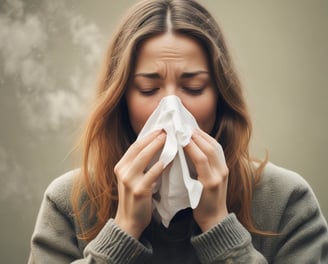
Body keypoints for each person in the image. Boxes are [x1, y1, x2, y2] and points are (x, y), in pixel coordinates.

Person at [28, 0, 328, 263]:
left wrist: (218, 225)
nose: (172, 108)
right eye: (148, 88)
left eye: (193, 87)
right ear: (121, 99)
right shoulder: (69, 203)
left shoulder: (286, 201)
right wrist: (123, 230)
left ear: (220, 96)